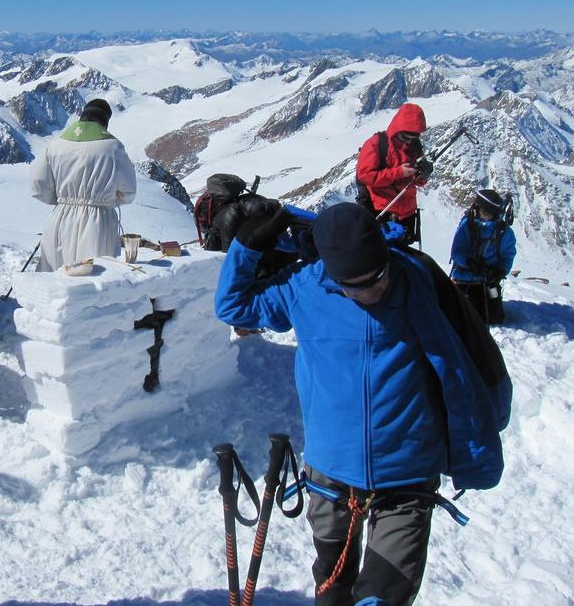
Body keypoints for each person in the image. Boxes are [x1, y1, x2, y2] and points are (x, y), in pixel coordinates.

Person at [215, 202, 508, 606]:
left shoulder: (416, 280)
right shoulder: (304, 286)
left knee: (383, 597)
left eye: (377, 278)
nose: (371, 292)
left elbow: (463, 357)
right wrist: (247, 246)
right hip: (330, 475)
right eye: (355, 286)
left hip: (406, 478)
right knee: (332, 591)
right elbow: (232, 307)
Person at [28, 98, 137, 271]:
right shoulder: (113, 147)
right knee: (92, 279)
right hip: (98, 222)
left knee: (56, 277)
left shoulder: (56, 145)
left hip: (60, 219)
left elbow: (38, 187)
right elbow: (128, 191)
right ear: (105, 120)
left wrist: (64, 200)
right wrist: (106, 201)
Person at [355, 103, 432, 242]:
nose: (408, 142)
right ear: (397, 129)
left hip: (406, 214)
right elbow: (365, 175)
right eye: (405, 137)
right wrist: (399, 172)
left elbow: (416, 180)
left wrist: (423, 176)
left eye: (412, 138)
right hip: (382, 211)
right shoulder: (376, 144)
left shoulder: (415, 146)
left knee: (400, 258)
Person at [450, 188, 517, 325]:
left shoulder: (503, 232)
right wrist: (469, 262)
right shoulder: (466, 226)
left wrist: (499, 272)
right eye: (484, 212)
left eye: (489, 214)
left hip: (488, 280)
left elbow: (507, 256)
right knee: (462, 316)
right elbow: (457, 253)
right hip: (464, 278)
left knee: (493, 318)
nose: (486, 216)